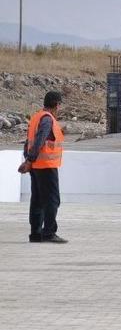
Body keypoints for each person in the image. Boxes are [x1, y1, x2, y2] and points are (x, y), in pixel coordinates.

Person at [18, 91, 67, 244]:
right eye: (59, 104)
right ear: (57, 104)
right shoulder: (47, 120)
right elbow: (39, 140)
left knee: (37, 200)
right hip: (46, 166)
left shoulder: (36, 117)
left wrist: (28, 160)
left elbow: (28, 141)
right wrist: (30, 159)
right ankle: (49, 233)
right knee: (52, 200)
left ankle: (35, 234)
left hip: (36, 166)